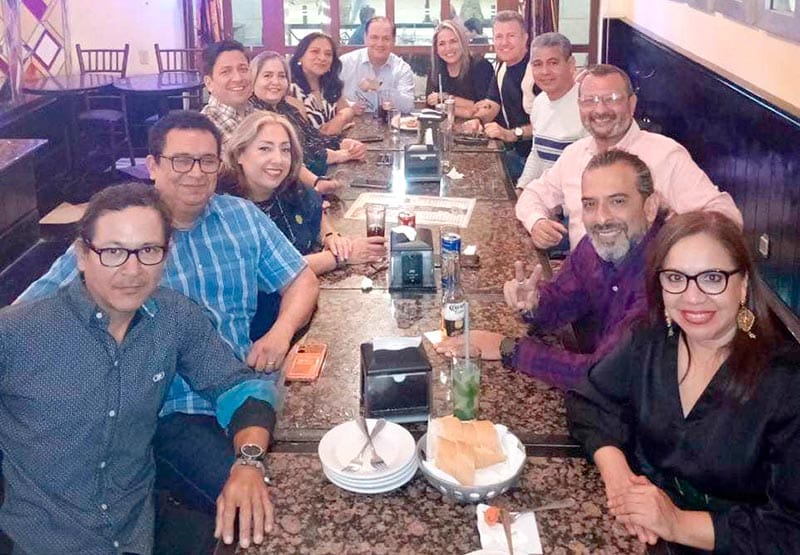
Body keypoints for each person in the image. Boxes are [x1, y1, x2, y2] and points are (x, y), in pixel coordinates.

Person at [15, 111, 319, 523]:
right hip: (170, 412)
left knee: (318, 473)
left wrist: (280, 332)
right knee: (269, 506)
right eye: (181, 160)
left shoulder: (241, 218)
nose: (195, 173)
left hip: (243, 388)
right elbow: (28, 314)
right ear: (153, 165)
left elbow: (300, 278)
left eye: (206, 161)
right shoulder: (122, 235)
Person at [0, 183, 277, 553]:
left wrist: (248, 463)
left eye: (148, 251)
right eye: (113, 252)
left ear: (167, 254)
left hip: (138, 531)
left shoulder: (173, 317)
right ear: (82, 255)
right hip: (43, 542)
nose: (132, 270)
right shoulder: (16, 333)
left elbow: (239, 387)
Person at [566, 210, 800, 553]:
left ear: (743, 284)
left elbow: (791, 530)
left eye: (712, 278)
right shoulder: (651, 339)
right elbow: (590, 401)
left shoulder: (787, 382)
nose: (692, 297)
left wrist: (676, 522)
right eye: (675, 278)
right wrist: (620, 481)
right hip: (647, 533)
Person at [437, 149, 661, 390]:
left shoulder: (663, 279)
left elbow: (602, 377)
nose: (602, 218)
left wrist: (508, 348)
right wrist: (535, 302)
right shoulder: (596, 245)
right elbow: (564, 300)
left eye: (618, 201)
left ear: (650, 207)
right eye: (590, 204)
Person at [515, 63, 742, 250]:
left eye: (612, 98)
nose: (600, 110)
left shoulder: (665, 155)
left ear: (631, 104)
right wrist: (537, 222)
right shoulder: (574, 155)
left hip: (644, 286)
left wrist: (674, 229)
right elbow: (532, 195)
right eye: (590, 100)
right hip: (582, 281)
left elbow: (727, 217)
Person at [224, 110, 386, 337]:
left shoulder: (288, 187)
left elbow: (314, 208)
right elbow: (270, 271)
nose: (278, 159)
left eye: (285, 150)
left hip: (301, 310)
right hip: (260, 329)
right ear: (239, 154)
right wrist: (341, 257)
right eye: (265, 149)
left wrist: (329, 234)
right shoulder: (227, 208)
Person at [250, 50, 366, 178]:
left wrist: (343, 143)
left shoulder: (287, 108)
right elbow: (295, 156)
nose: (276, 81)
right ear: (253, 79)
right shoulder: (254, 115)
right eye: (267, 76)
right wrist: (339, 155)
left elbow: (313, 137)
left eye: (282, 76)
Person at [462, 11, 532, 181]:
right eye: (499, 37)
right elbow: (492, 104)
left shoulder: (537, 70)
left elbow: (547, 126)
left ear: (525, 38)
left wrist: (511, 134)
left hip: (534, 161)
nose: (504, 42)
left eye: (511, 36)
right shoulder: (502, 67)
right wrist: (477, 121)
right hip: (513, 152)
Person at [517, 32, 588, 186]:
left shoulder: (587, 106)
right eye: (537, 64)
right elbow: (537, 155)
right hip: (545, 193)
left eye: (553, 63)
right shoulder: (539, 102)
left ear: (571, 64)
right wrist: (521, 188)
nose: (545, 71)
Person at [339, 16, 416, 114]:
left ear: (393, 41)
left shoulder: (402, 69)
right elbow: (329, 96)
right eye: (374, 37)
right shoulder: (345, 63)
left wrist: (377, 86)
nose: (380, 44)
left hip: (390, 122)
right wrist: (349, 106)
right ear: (365, 38)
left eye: (386, 38)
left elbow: (407, 106)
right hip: (352, 121)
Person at [289, 32, 357, 135]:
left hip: (337, 143)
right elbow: (305, 136)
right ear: (300, 56)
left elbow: (347, 110)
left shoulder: (329, 85)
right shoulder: (290, 90)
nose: (322, 58)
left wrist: (340, 119)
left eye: (328, 54)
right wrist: (333, 128)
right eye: (315, 51)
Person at [425, 20, 494, 119]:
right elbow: (431, 108)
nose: (448, 48)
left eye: (453, 41)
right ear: (436, 49)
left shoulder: (481, 66)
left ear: (463, 42)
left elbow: (485, 108)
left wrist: (445, 98)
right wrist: (465, 110)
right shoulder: (435, 69)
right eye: (441, 44)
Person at [200, 39, 254, 147]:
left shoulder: (258, 115)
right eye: (226, 72)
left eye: (243, 69)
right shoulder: (205, 129)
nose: (238, 78)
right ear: (209, 83)